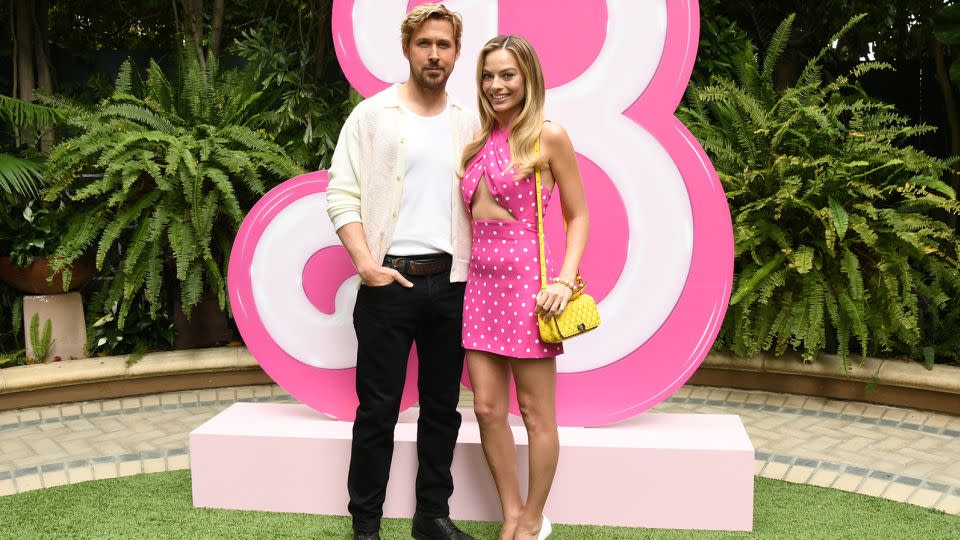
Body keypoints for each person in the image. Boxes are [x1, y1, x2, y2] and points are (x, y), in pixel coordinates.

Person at [325, 4, 479, 540]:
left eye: (444, 45)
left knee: (443, 409)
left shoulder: (469, 121)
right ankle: (365, 525)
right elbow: (341, 193)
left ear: (457, 53)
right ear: (408, 49)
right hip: (390, 282)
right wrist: (367, 265)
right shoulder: (371, 116)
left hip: (452, 285)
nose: (434, 54)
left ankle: (431, 518)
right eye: (424, 44)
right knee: (377, 412)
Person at [458, 35, 589, 540]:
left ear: (528, 77)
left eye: (507, 74)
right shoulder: (476, 140)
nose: (496, 85)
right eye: (488, 75)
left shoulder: (549, 136)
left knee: (536, 413)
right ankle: (510, 511)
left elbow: (578, 216)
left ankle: (534, 516)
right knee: (488, 408)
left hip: (527, 290)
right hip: (479, 288)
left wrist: (562, 278)